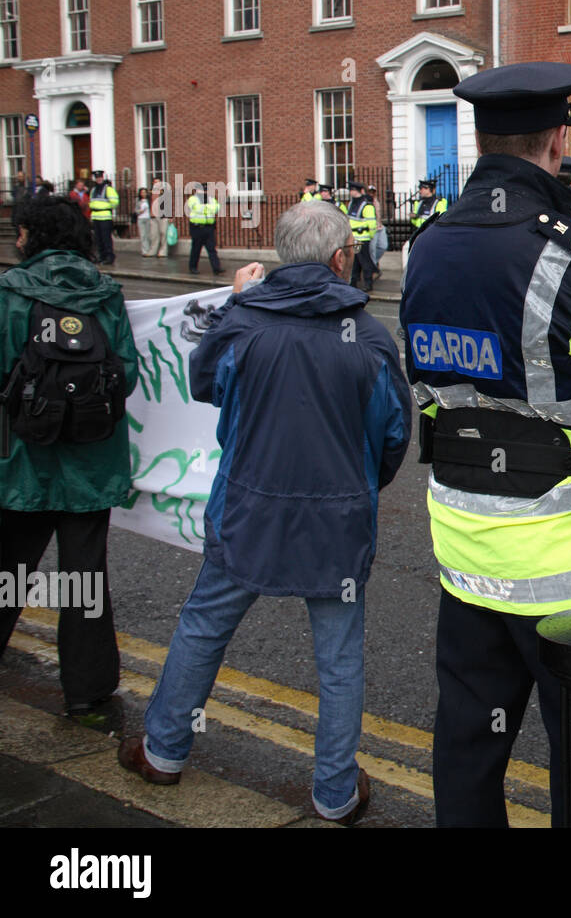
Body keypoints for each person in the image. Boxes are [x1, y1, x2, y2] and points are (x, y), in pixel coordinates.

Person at [400, 61, 571, 827]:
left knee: (468, 749)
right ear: (559, 139)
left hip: (465, 551)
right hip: (568, 569)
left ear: (483, 140)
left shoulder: (429, 244)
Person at [116, 201, 411, 823]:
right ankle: (334, 791)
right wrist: (359, 486)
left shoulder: (245, 321)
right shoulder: (370, 335)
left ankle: (164, 750)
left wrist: (235, 302)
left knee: (205, 624)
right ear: (339, 258)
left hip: (247, 508)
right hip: (337, 522)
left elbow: (204, 382)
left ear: (281, 255)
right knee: (338, 654)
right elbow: (392, 437)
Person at [0, 195, 139, 730]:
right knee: (84, 577)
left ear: (31, 236)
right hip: (93, 458)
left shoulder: (11, 293)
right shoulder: (105, 294)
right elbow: (123, 376)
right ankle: (87, 692)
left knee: (10, 568)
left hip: (22, 457)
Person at [344, 180, 378, 292]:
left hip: (362, 239)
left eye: (354, 190)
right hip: (354, 239)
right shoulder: (351, 203)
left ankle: (368, 283)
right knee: (355, 261)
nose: (352, 192)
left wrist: (370, 236)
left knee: (364, 261)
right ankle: (353, 282)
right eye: (351, 190)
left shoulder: (367, 205)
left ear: (360, 191)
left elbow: (372, 224)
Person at [186, 182, 222, 275]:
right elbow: (196, 208)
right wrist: (208, 207)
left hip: (209, 228)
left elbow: (217, 208)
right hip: (197, 228)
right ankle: (193, 267)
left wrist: (206, 207)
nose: (204, 191)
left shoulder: (211, 199)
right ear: (197, 190)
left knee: (212, 249)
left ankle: (216, 268)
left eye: (205, 190)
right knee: (196, 249)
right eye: (202, 189)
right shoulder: (192, 199)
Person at [87, 170, 118, 265]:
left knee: (106, 238)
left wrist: (104, 207)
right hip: (96, 217)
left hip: (105, 217)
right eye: (97, 178)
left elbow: (115, 202)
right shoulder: (93, 190)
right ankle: (101, 256)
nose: (98, 179)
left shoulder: (108, 189)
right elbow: (90, 202)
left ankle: (109, 257)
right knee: (98, 239)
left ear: (102, 178)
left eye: (100, 177)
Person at [149, 176, 170, 258]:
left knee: (163, 233)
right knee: (154, 234)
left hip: (163, 215)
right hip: (153, 215)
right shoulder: (151, 193)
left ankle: (163, 251)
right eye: (155, 182)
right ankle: (153, 250)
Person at [135, 186, 157, 257]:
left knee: (148, 235)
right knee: (143, 235)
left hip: (148, 218)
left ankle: (150, 250)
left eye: (145, 192)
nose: (143, 194)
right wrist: (140, 211)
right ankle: (145, 250)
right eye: (142, 192)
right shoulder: (138, 201)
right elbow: (136, 210)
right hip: (141, 219)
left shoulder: (149, 200)